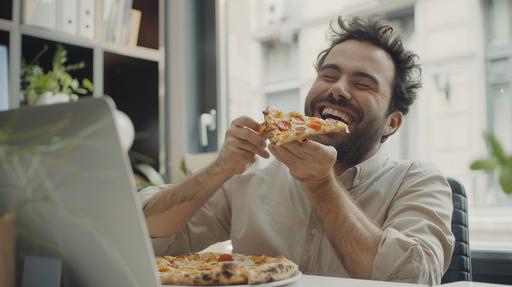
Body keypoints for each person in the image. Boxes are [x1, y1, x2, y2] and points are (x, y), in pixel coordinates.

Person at [139, 16, 455, 284]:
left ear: (392, 123)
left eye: (362, 84)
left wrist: (322, 186)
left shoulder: (419, 181)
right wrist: (220, 168)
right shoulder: (254, 173)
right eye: (329, 75)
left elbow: (415, 279)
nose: (338, 89)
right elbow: (142, 236)